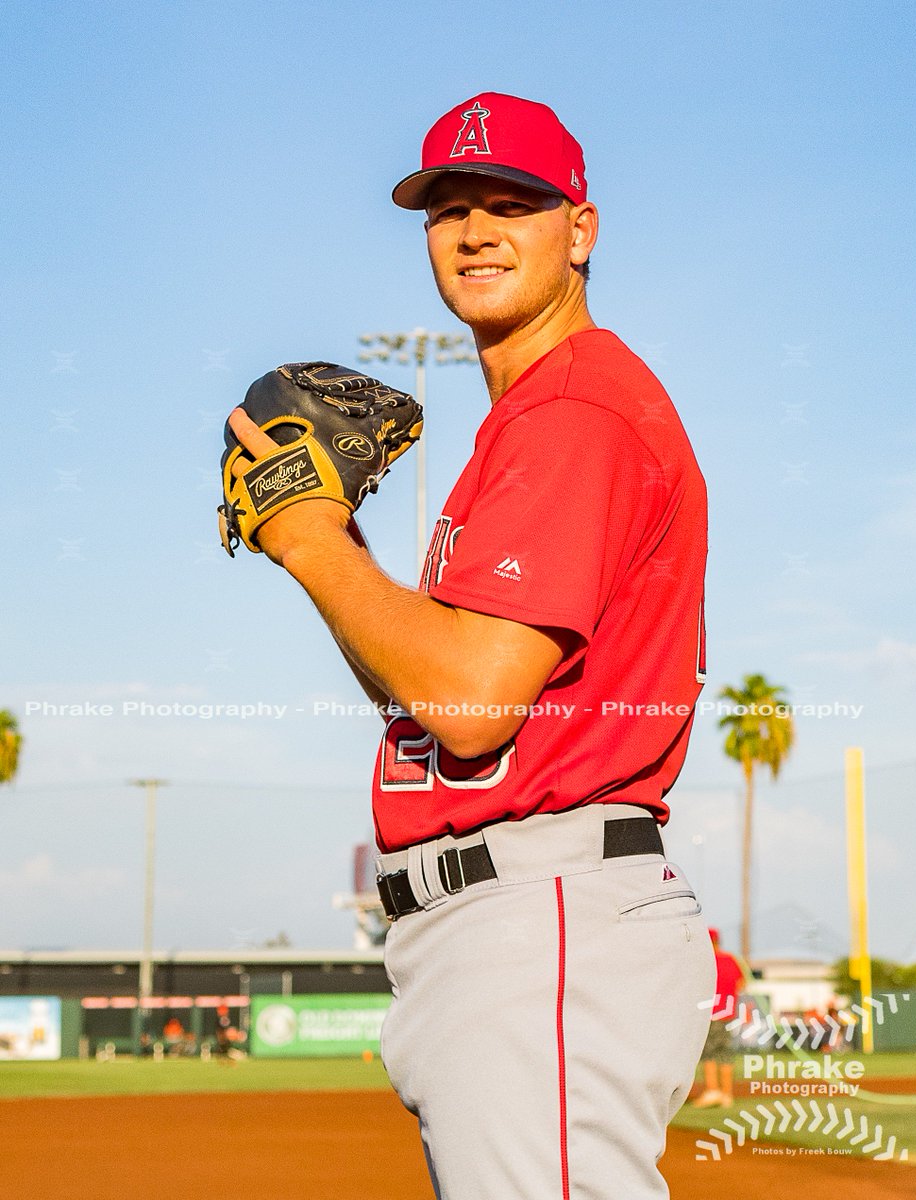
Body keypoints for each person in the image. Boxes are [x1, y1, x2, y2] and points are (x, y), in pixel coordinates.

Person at [227, 91, 714, 1200]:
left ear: (579, 230)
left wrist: (308, 541)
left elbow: (471, 703)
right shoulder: (536, 417)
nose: (477, 230)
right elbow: (432, 684)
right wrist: (337, 546)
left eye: (515, 203)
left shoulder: (573, 412)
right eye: (450, 210)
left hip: (542, 911)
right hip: (519, 919)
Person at [693, 927, 745, 1108]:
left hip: (710, 1014)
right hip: (728, 1015)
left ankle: (712, 1091)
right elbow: (741, 983)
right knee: (725, 1055)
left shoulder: (705, 961)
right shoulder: (731, 960)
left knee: (708, 1055)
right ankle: (727, 1095)